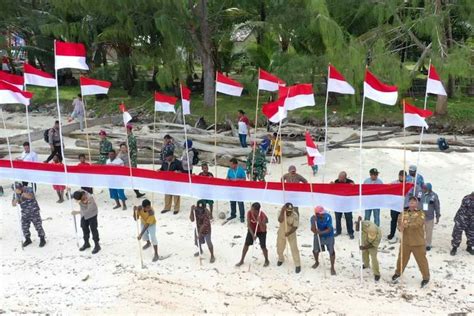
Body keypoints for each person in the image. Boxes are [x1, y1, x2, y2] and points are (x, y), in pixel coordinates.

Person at [392, 197, 430, 288]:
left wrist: (406, 224)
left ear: (417, 203)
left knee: (421, 261)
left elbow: (418, 224)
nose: (412, 203)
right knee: (401, 259)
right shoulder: (403, 213)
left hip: (418, 242)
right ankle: (398, 272)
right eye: (410, 201)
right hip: (406, 242)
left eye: (414, 202)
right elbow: (399, 224)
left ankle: (426, 277)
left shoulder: (420, 213)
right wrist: (400, 227)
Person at [388, 170, 422, 241]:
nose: (401, 177)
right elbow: (386, 189)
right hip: (395, 206)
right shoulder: (394, 183)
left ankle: (405, 235)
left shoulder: (409, 184)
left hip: (405, 206)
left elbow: (418, 189)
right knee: (393, 220)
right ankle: (392, 234)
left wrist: (418, 197)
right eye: (400, 176)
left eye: (403, 176)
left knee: (405, 221)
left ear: (406, 177)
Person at [12, 183, 46, 248]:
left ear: (20, 188)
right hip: (24, 212)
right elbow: (13, 204)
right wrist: (15, 200)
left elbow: (31, 196)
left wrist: (23, 194)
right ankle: (28, 239)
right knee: (24, 226)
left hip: (34, 211)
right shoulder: (15, 194)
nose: (15, 191)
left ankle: (42, 239)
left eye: (15, 189)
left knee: (38, 225)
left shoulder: (28, 189)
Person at [235, 202, 270, 267]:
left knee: (263, 246)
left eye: (252, 209)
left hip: (262, 231)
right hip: (252, 230)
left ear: (257, 210)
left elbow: (263, 229)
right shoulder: (249, 213)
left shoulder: (262, 215)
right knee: (246, 244)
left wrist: (260, 222)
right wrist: (253, 234)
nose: (251, 210)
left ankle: (267, 260)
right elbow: (248, 225)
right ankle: (242, 260)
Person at [72, 190, 101, 254]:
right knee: (84, 227)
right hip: (84, 215)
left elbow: (88, 210)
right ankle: (86, 243)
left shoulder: (90, 198)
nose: (79, 201)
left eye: (80, 199)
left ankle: (97, 245)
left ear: (82, 196)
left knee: (93, 229)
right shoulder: (79, 194)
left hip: (92, 214)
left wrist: (77, 212)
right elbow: (71, 195)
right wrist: (68, 190)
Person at [310, 206, 336, 275]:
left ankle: (332, 267)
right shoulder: (313, 218)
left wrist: (320, 232)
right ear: (317, 214)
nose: (323, 214)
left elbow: (329, 229)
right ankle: (316, 262)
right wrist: (314, 223)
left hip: (329, 235)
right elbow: (312, 229)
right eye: (321, 213)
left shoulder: (328, 216)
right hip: (318, 235)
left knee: (331, 251)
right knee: (315, 250)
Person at [276, 203, 301, 273]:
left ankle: (297, 264)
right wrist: (282, 212)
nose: (290, 212)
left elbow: (295, 226)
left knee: (294, 249)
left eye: (291, 211)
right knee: (279, 248)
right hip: (281, 233)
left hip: (291, 234)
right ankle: (281, 259)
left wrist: (289, 233)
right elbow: (280, 220)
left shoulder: (295, 215)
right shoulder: (280, 212)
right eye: (288, 211)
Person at [356, 216, 382, 281]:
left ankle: (377, 273)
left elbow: (373, 245)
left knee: (374, 258)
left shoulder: (379, 235)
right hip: (364, 239)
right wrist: (358, 222)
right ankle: (366, 264)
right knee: (364, 253)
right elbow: (357, 229)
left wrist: (365, 247)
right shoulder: (365, 224)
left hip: (372, 245)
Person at [332, 171, 355, 239]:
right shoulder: (336, 181)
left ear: (345, 177)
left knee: (349, 218)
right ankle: (338, 231)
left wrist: (353, 186)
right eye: (338, 176)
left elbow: (354, 190)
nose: (339, 178)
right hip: (338, 203)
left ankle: (350, 232)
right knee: (337, 218)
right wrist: (331, 185)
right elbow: (333, 190)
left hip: (347, 203)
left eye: (341, 177)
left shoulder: (350, 182)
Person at [126, 124, 146, 198]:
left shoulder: (132, 138)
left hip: (131, 159)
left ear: (129, 129)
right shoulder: (128, 137)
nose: (126, 130)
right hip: (128, 159)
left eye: (127, 129)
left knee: (133, 175)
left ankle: (137, 192)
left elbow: (131, 149)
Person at [420, 183, 440, 251]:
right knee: (420, 230)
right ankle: (420, 242)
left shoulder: (434, 196)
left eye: (424, 188)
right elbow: (416, 201)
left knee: (428, 231)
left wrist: (437, 216)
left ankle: (428, 244)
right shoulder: (420, 193)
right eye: (423, 187)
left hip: (429, 217)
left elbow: (437, 207)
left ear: (429, 189)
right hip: (420, 216)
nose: (423, 189)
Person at [226, 158, 246, 222]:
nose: (230, 166)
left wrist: (238, 179)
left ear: (235, 164)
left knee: (240, 203)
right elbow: (227, 177)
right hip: (232, 189)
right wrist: (227, 179)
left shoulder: (241, 170)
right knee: (232, 202)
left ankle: (242, 216)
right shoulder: (229, 170)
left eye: (231, 164)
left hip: (239, 189)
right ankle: (233, 214)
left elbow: (244, 179)